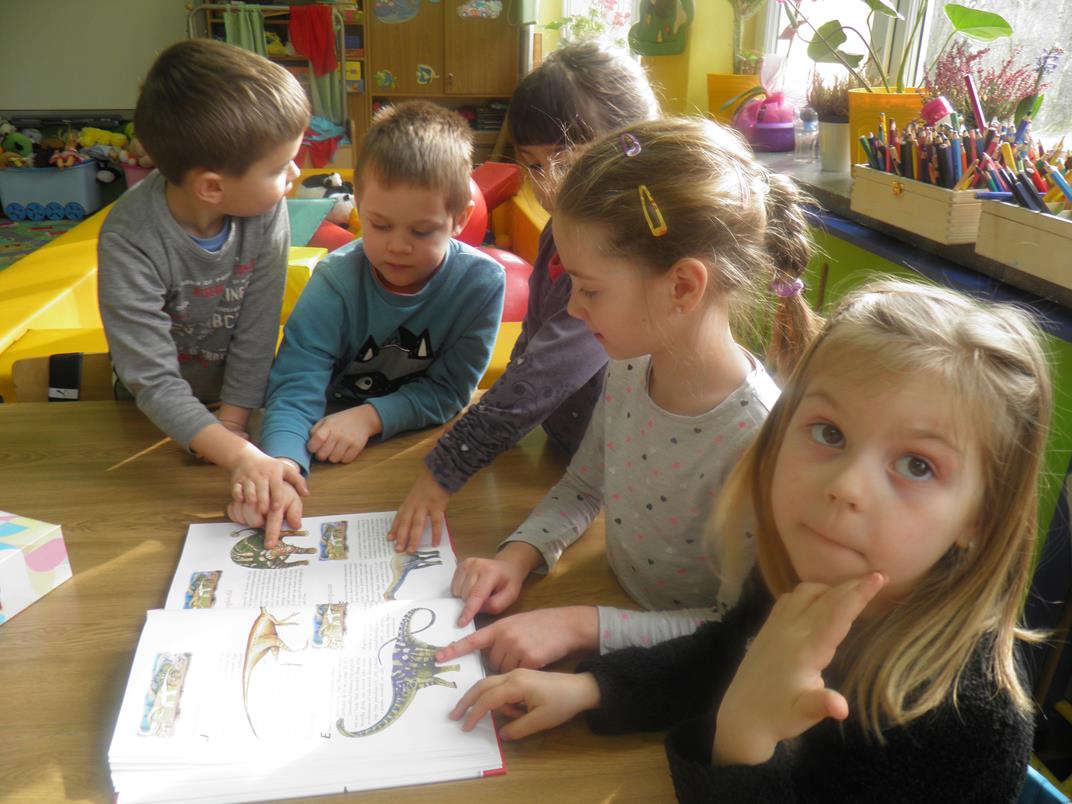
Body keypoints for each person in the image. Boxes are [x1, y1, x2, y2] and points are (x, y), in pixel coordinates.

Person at [452, 279, 1048, 802]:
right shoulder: (798, 571)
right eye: (829, 432)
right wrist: (592, 688)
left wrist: (744, 738)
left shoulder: (968, 723)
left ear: (981, 516)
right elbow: (717, 654)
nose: (846, 487)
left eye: (917, 465)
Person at [438, 116, 821, 671]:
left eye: (590, 290)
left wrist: (581, 625)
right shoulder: (627, 368)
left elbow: (736, 631)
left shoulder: (758, 440)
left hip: (676, 674)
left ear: (682, 287)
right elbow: (584, 484)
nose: (573, 308)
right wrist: (516, 557)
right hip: (613, 595)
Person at [387, 41, 659, 552]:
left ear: (633, 145)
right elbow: (535, 335)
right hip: (564, 454)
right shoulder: (563, 228)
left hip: (620, 486)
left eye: (566, 162)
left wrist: (449, 464)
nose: (550, 188)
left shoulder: (626, 255)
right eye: (534, 165)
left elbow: (552, 366)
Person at [232, 101, 505, 543]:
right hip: (316, 436)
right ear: (359, 205)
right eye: (379, 225)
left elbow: (450, 391)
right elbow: (296, 383)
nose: (397, 246)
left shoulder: (482, 283)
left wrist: (371, 417)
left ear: (460, 219)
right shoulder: (336, 280)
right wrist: (283, 466)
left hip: (404, 450)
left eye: (421, 231)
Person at [98, 39, 311, 537]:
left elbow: (258, 328)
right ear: (212, 187)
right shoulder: (130, 237)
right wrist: (235, 451)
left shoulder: (265, 209)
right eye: (279, 168)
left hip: (240, 402)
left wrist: (234, 427)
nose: (296, 175)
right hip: (151, 415)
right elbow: (152, 379)